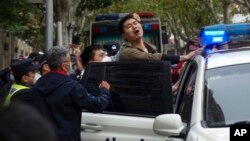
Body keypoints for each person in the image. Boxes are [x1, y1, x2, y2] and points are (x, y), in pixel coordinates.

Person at [30, 46, 111, 141]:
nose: (70, 64)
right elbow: (98, 104)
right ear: (64, 66)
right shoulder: (72, 87)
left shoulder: (36, 86)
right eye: (69, 61)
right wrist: (105, 90)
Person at [118, 13, 201, 63]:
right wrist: (184, 57)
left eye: (135, 23)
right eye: (129, 26)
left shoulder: (151, 47)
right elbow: (151, 57)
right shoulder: (126, 52)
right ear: (124, 35)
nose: (134, 26)